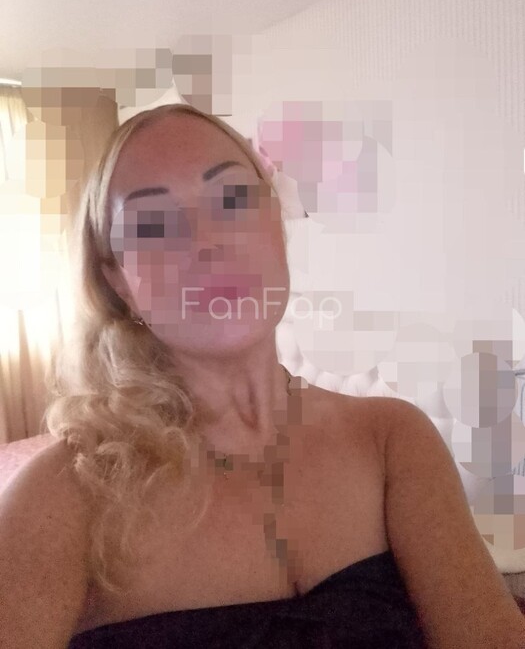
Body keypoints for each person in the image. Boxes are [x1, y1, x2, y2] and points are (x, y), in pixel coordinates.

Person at [0, 103, 431, 648]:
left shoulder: (392, 440)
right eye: (153, 224)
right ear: (118, 281)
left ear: (276, 222)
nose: (206, 241)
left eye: (232, 199)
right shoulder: (62, 497)